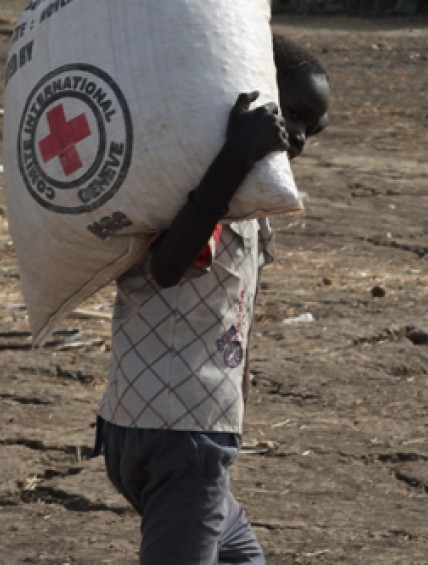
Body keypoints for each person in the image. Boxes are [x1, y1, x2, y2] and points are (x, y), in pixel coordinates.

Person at [92, 35, 330, 565]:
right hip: (183, 435)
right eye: (292, 113)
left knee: (242, 558)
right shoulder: (203, 178)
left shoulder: (241, 192)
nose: (298, 138)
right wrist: (236, 153)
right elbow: (168, 264)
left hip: (152, 426)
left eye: (312, 130)